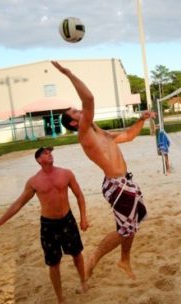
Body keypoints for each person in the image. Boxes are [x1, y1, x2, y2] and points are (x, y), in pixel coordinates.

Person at [51, 60, 155, 281]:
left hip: (126, 181)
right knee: (125, 229)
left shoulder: (99, 133)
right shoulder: (84, 132)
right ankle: (94, 259)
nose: (80, 111)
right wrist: (68, 73)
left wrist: (141, 119)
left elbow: (128, 136)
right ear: (72, 123)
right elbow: (89, 99)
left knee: (133, 223)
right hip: (116, 185)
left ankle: (124, 259)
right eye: (75, 112)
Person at [0, 146, 89, 304]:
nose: (50, 154)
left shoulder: (66, 173)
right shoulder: (34, 182)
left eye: (50, 152)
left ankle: (83, 281)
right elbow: (18, 204)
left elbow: (79, 196)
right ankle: (60, 300)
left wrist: (83, 217)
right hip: (48, 225)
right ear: (39, 160)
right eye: (45, 153)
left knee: (77, 254)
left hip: (67, 220)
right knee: (53, 264)